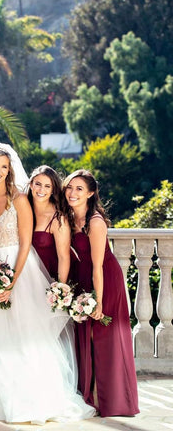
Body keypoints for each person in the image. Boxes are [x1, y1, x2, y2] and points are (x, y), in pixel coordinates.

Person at [0, 144, 96, 424]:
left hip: (18, 268)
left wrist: (12, 281)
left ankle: (33, 399)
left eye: (4, 167)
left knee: (23, 336)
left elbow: (25, 244)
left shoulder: (19, 198)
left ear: (10, 170)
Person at [63, 169, 139, 417]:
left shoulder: (94, 222)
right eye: (70, 187)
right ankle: (90, 395)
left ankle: (112, 400)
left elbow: (98, 266)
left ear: (91, 193)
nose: (72, 193)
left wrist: (97, 300)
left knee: (103, 338)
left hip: (103, 279)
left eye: (79, 189)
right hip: (82, 277)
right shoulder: (69, 217)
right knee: (86, 337)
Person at [28, 165, 71, 282]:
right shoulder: (23, 209)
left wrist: (60, 289)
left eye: (47, 186)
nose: (41, 190)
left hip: (51, 280)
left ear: (53, 190)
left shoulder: (58, 218)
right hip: (27, 276)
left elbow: (64, 257)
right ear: (31, 184)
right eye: (38, 184)